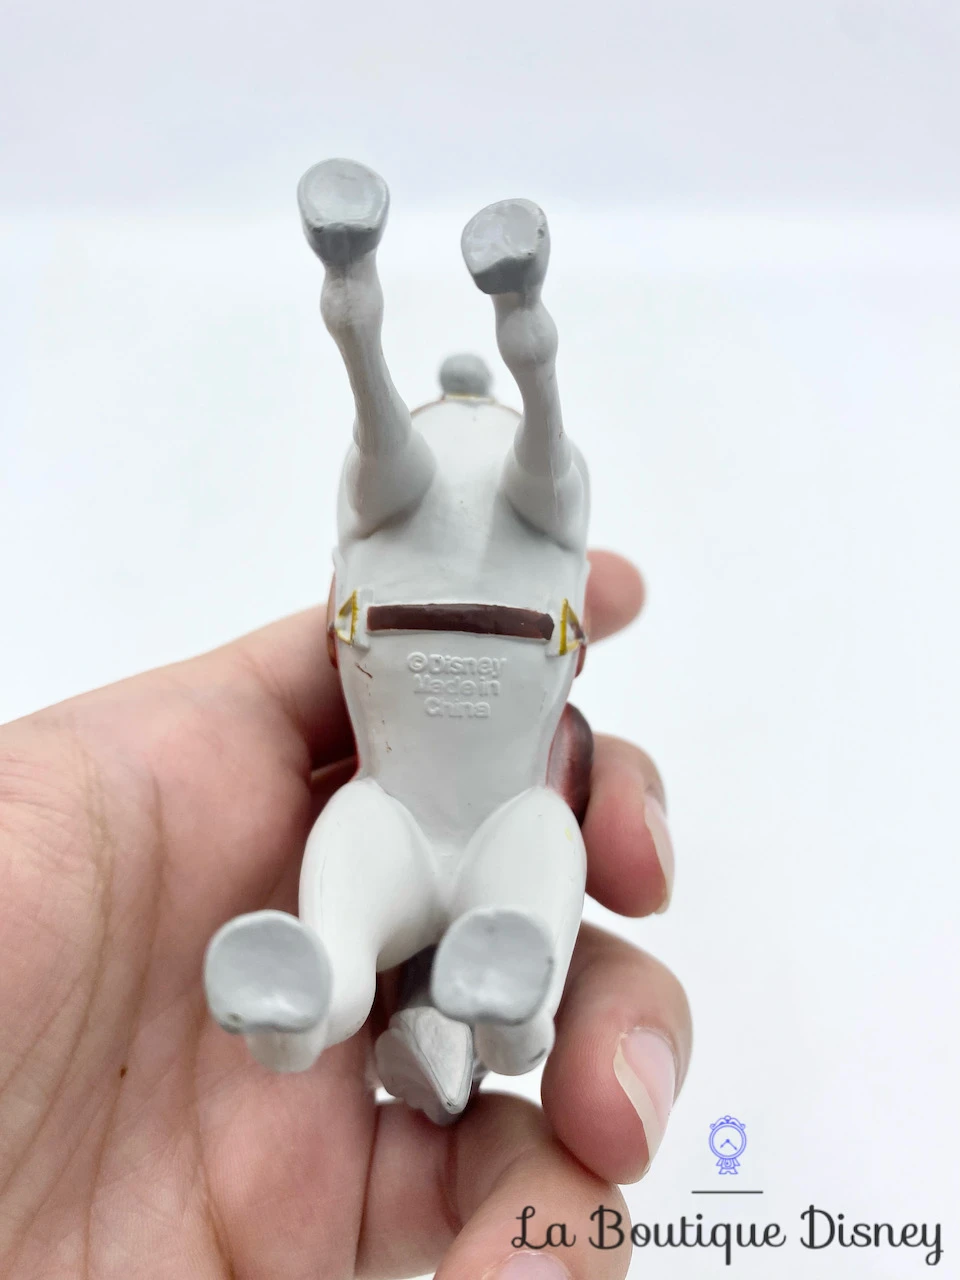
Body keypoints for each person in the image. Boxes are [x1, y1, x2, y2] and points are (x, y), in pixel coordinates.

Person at [0, 550, 690, 1279]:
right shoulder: (384, 570)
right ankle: (313, 1001)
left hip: (511, 826)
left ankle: (512, 1019)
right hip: (390, 813)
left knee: (547, 843)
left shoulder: (561, 719)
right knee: (350, 921)